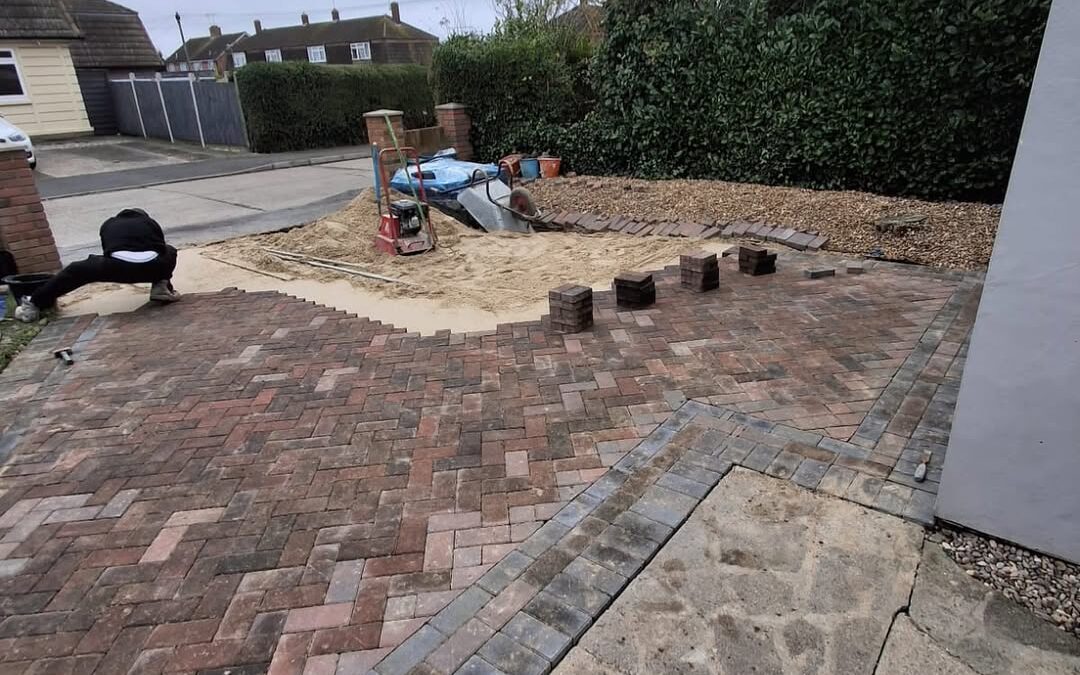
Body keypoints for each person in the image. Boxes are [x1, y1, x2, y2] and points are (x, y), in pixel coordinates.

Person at [14, 208, 180, 322]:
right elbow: (159, 247)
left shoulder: (108, 224)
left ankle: (33, 304)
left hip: (116, 268)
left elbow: (108, 251)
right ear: (144, 217)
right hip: (154, 268)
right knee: (170, 250)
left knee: (76, 270)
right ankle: (162, 287)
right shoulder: (150, 223)